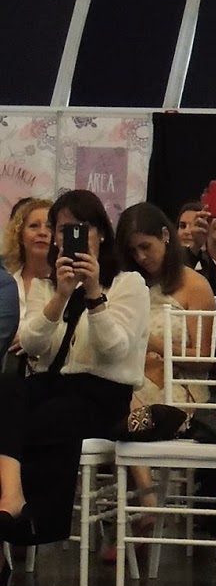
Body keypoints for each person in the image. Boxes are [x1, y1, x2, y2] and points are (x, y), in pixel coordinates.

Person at [0, 190, 148, 546]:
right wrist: (61, 296)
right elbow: (31, 344)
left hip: (105, 393)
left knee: (44, 420)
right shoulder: (48, 284)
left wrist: (94, 292)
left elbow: (114, 349)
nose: (69, 237)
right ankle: (12, 495)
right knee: (5, 387)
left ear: (100, 233)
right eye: (62, 229)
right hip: (56, 384)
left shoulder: (128, 283)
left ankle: (33, 522)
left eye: (80, 228)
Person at [115, 202, 215, 403]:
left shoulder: (195, 286)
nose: (141, 257)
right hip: (131, 378)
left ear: (165, 235)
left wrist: (155, 344)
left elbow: (204, 359)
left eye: (145, 247)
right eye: (133, 251)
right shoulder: (126, 283)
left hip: (177, 385)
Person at [3, 196, 53, 325]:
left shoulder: (71, 286)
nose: (42, 233)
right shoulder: (4, 282)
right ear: (19, 235)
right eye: (34, 226)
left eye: (50, 227)